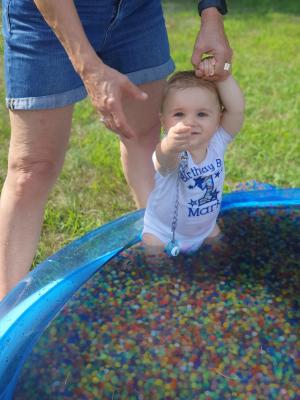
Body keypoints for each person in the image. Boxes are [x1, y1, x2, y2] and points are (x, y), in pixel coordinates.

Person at [0, 0, 232, 300]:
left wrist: (211, 12)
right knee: (33, 169)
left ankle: (162, 259)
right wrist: (88, 66)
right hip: (45, 14)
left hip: (137, 10)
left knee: (142, 134)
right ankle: (5, 316)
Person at [143, 61, 245, 255]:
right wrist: (170, 145)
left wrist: (223, 76)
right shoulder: (174, 151)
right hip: (162, 234)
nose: (190, 122)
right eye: (179, 114)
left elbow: (237, 110)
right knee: (155, 267)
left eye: (202, 114)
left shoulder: (217, 142)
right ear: (163, 121)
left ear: (218, 119)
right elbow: (162, 159)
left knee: (220, 256)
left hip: (206, 230)